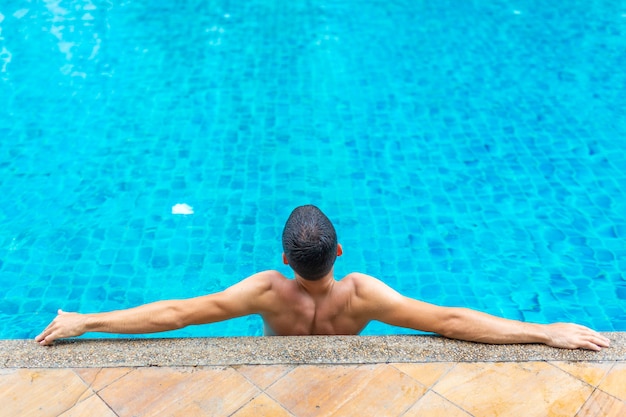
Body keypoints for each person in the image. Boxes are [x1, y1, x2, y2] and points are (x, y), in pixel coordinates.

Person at [36, 205, 610, 351]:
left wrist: (87, 320)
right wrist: (542, 331)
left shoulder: (267, 291)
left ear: (287, 259)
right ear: (338, 250)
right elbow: (451, 321)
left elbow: (178, 313)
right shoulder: (361, 295)